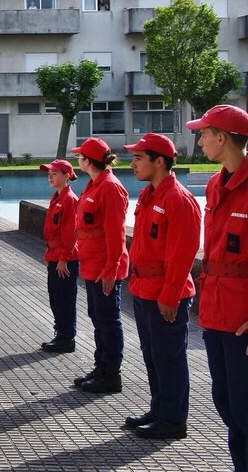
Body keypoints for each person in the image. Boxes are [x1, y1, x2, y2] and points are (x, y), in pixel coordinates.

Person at [122, 132, 200, 440]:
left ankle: (172, 420)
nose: (133, 164)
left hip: (165, 293)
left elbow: (183, 253)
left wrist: (170, 295)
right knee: (154, 355)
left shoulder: (178, 199)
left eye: (138, 158)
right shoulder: (150, 195)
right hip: (144, 288)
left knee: (169, 357)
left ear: (159, 162)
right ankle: (159, 409)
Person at [187, 104, 248, 471]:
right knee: (226, 403)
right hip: (216, 312)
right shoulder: (215, 184)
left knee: (244, 409)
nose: (200, 141)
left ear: (222, 138)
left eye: (204, 134)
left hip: (242, 320)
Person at [71, 137, 129, 394]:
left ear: (88, 161)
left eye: (80, 156)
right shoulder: (95, 184)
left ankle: (111, 374)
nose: (78, 159)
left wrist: (110, 269)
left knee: (108, 319)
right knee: (98, 317)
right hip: (92, 264)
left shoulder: (109, 187)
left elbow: (116, 233)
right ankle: (101, 366)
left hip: (104, 266)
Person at [39, 158, 80, 353]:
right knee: (55, 298)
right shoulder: (57, 197)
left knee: (64, 300)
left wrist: (63, 259)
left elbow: (70, 233)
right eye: (49, 174)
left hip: (65, 259)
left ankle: (66, 338)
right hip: (54, 256)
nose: (50, 177)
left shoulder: (69, 200)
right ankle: (60, 334)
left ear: (66, 176)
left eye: (54, 174)